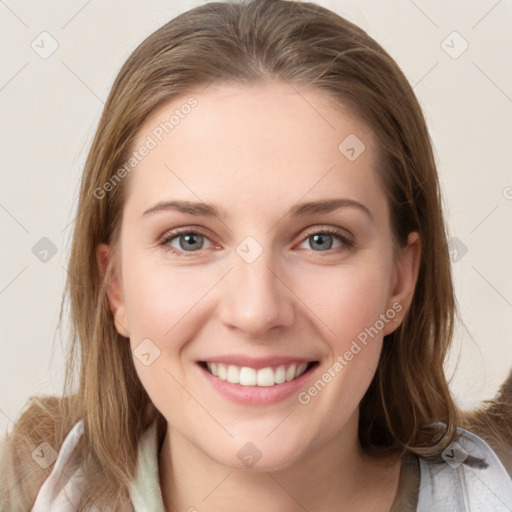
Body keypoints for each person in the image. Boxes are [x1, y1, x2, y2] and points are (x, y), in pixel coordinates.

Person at [1, 0, 511, 510]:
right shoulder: (32, 485)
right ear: (116, 286)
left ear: (400, 281)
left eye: (321, 239)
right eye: (189, 239)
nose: (256, 311)